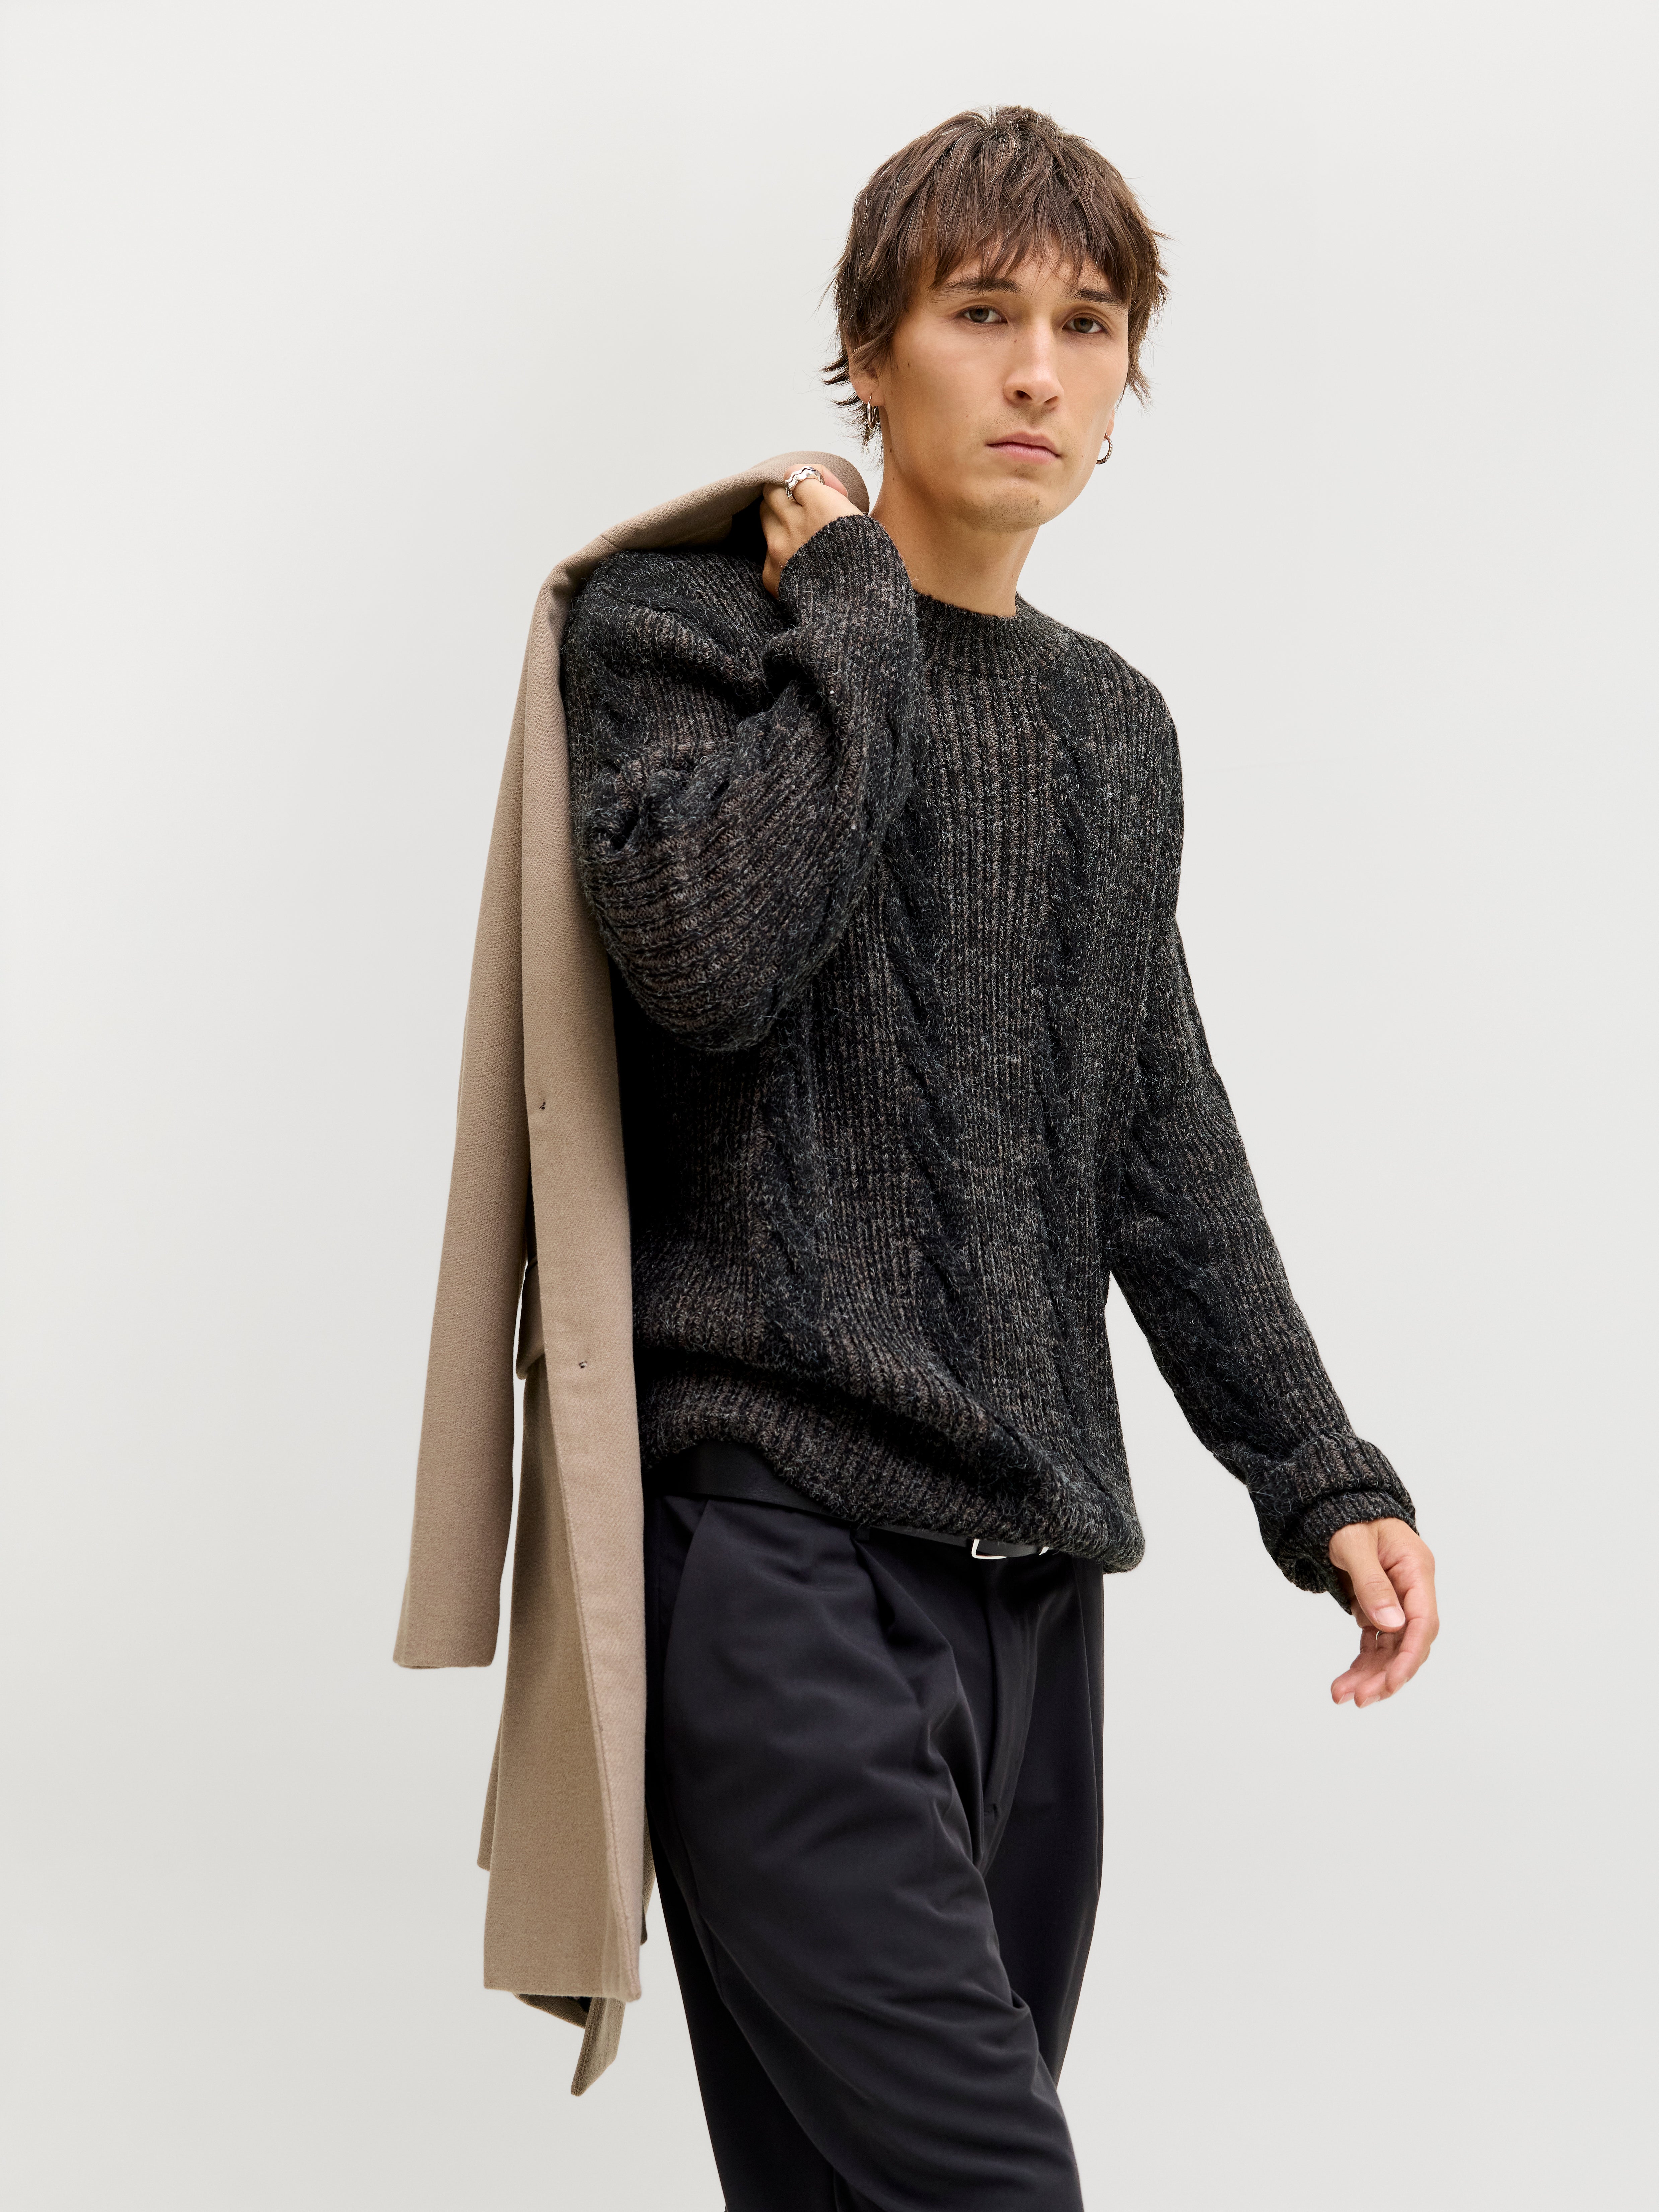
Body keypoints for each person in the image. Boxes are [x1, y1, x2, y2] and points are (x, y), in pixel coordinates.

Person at [555, 104, 1438, 2212]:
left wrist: (1319, 1472)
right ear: (869, 350)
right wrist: (855, 618)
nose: (1039, 369)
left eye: (1089, 324)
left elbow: (1155, 1132)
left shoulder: (1111, 728)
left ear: (1126, 381)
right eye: (980, 313)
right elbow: (704, 961)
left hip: (1039, 1601)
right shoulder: (682, 636)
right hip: (778, 1572)